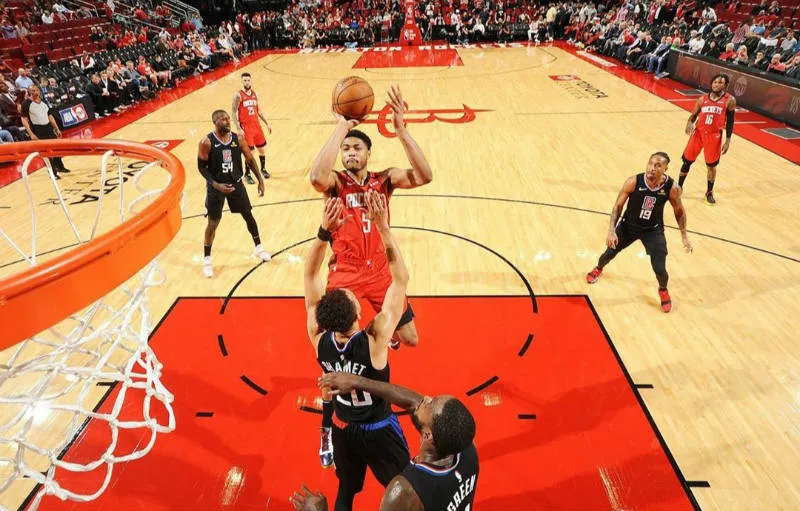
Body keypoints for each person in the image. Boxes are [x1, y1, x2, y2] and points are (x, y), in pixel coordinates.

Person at [309, 85, 433, 467]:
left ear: (368, 153)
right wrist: (340, 127)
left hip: (379, 269)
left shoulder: (385, 180)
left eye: (355, 148)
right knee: (335, 361)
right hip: (344, 273)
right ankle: (327, 429)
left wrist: (402, 129)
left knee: (410, 338)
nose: (349, 153)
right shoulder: (336, 184)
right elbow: (316, 174)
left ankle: (381, 339)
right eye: (346, 148)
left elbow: (425, 175)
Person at [303, 192, 411, 511]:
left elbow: (310, 276)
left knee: (346, 491)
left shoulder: (318, 337)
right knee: (405, 488)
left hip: (343, 428)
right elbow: (400, 281)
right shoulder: (375, 338)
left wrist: (324, 231)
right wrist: (383, 227)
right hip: (379, 430)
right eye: (352, 297)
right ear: (357, 315)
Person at [291, 372, 478, 511]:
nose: (426, 399)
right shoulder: (466, 448)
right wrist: (357, 382)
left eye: (430, 404)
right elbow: (413, 402)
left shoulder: (404, 491)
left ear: (428, 436)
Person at [586, 152, 693, 312]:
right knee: (609, 253)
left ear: (665, 168)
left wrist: (684, 235)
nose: (652, 168)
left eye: (658, 165)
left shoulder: (672, 188)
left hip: (653, 230)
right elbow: (618, 207)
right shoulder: (633, 181)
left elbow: (679, 211)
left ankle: (663, 290)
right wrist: (611, 231)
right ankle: (598, 268)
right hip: (629, 226)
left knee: (660, 268)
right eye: (650, 163)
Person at [197, 109, 271, 278]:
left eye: (228, 119)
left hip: (236, 184)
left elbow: (250, 159)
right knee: (213, 223)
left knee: (248, 216)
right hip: (216, 187)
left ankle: (259, 247)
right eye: (223, 120)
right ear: (215, 122)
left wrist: (260, 179)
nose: (227, 121)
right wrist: (216, 185)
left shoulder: (238, 139)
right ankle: (207, 259)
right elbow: (201, 167)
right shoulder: (206, 142)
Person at [678, 73, 736, 204]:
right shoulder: (702, 99)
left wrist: (728, 140)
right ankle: (679, 187)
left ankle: (709, 192)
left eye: (720, 82)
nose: (716, 84)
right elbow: (693, 115)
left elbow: (731, 122)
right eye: (715, 82)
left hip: (714, 136)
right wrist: (689, 122)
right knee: (687, 161)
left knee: (711, 166)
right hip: (698, 134)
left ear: (726, 85)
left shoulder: (729, 100)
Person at [20, 84, 69, 177]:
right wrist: (31, 134)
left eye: (36, 90)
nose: (35, 92)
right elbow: (24, 119)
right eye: (32, 91)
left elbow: (50, 116)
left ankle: (60, 167)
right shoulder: (26, 103)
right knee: (45, 152)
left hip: (48, 127)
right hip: (38, 129)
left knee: (56, 148)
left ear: (39, 90)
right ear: (29, 92)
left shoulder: (43, 102)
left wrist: (56, 128)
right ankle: (52, 172)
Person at [232, 72, 272, 183]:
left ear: (251, 81)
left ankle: (263, 169)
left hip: (256, 126)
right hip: (246, 128)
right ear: (241, 81)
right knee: (250, 153)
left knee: (261, 149)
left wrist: (267, 123)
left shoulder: (255, 94)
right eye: (244, 80)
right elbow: (233, 112)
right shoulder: (238, 95)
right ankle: (247, 174)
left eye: (248, 80)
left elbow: (259, 111)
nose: (247, 82)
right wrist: (238, 128)